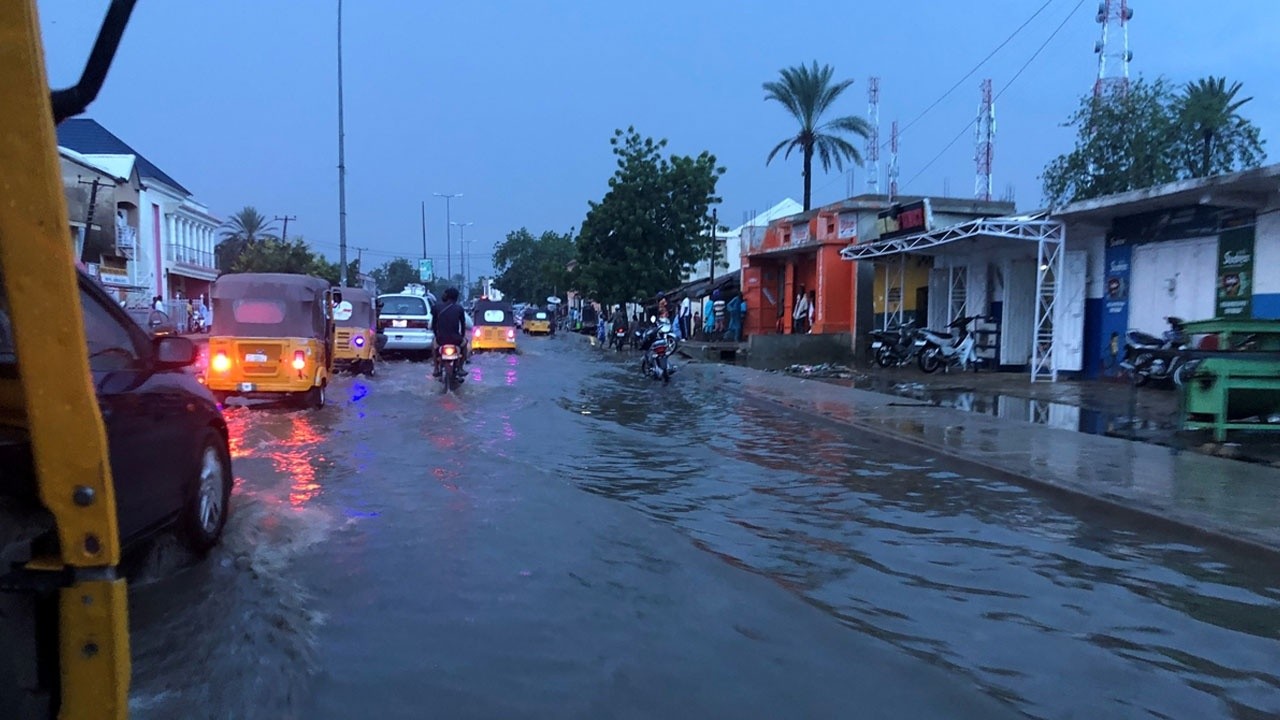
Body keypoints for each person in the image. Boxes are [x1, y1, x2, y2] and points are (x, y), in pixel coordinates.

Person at [431, 287, 467, 378]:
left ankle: (436, 368)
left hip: (441, 339)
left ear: (446, 296)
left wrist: (437, 336)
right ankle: (460, 368)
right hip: (456, 339)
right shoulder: (459, 308)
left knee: (434, 346)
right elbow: (463, 326)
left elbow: (433, 325)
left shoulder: (436, 307)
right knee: (465, 344)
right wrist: (462, 336)